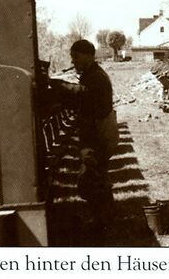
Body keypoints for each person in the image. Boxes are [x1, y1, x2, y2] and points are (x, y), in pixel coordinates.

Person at [49, 39, 117, 244]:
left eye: (76, 56)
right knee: (97, 176)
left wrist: (56, 84)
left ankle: (100, 223)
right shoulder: (93, 74)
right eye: (72, 57)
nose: (73, 60)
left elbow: (81, 94)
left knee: (92, 178)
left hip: (98, 134)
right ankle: (105, 218)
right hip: (99, 132)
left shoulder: (95, 77)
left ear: (89, 55)